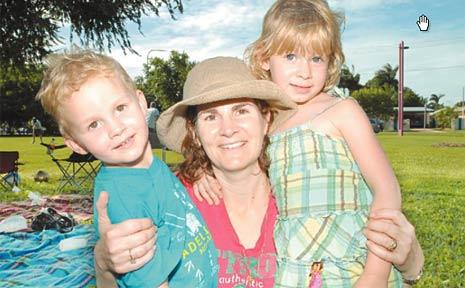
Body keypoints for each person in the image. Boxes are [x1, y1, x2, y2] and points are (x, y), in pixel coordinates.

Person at [93, 57, 424, 287]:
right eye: (210, 117)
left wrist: (406, 256)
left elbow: (404, 265)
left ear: (267, 119)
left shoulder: (301, 188)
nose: (228, 129)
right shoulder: (173, 197)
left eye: (241, 110)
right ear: (194, 133)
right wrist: (105, 264)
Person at [193, 1, 423, 287]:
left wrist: (375, 273)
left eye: (316, 58)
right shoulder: (269, 121)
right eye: (291, 56)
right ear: (265, 58)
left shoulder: (342, 111)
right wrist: (203, 172)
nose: (304, 72)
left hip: (353, 266)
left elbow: (387, 190)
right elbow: (237, 160)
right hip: (296, 271)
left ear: (330, 62)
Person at [35, 50, 218, 288]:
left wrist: (197, 177)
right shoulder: (122, 199)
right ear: (76, 144)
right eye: (94, 124)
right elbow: (150, 281)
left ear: (141, 103)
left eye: (120, 108)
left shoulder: (149, 167)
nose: (116, 128)